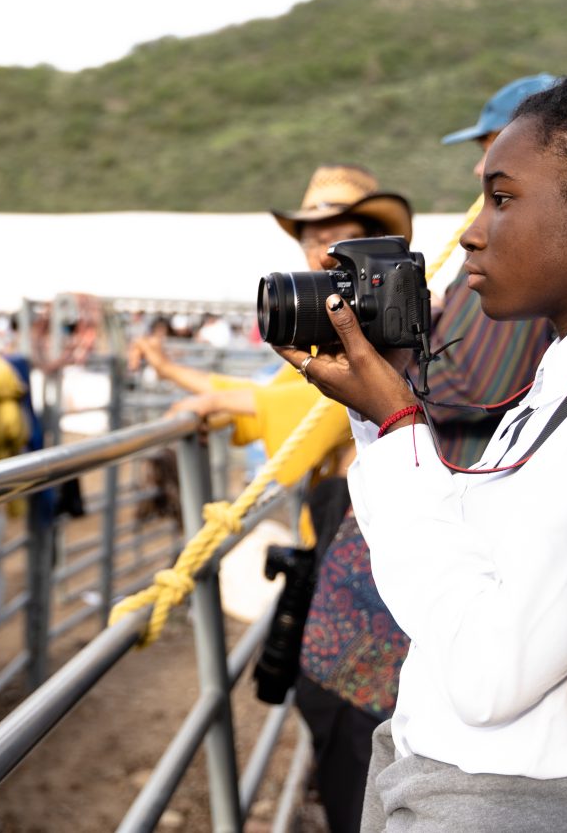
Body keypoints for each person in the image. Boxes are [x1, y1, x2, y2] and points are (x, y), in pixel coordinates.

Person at [280, 9, 567, 830]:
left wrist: (398, 430)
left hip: (510, 803)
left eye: (500, 198)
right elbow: (483, 555)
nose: (474, 235)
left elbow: (492, 675)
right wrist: (381, 421)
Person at [133, 164, 414, 833]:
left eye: (341, 237)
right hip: (348, 562)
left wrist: (192, 385)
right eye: (312, 238)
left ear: (373, 251)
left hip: (370, 577)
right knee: (341, 730)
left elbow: (284, 405)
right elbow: (278, 399)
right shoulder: (347, 339)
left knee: (356, 737)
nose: (320, 252)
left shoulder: (380, 341)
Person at [432, 76, 559, 464]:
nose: (477, 167)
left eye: (492, 145)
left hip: (467, 481)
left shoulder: (525, 251)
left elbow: (477, 385)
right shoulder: (502, 239)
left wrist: (378, 368)